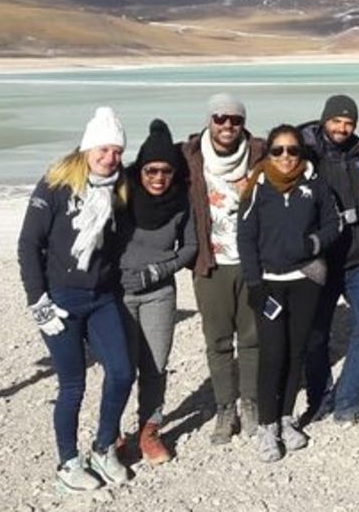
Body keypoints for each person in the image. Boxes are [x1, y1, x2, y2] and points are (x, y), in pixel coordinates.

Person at [17, 106, 132, 492]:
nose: (109, 157)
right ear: (86, 148)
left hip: (101, 297)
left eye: (116, 151)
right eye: (102, 149)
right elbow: (29, 244)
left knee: (121, 372)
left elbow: (121, 243)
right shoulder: (55, 184)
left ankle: (102, 447)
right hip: (60, 298)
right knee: (72, 385)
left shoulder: (120, 189)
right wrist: (39, 301)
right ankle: (67, 463)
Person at [238, 124, 341, 463]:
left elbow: (333, 225)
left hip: (304, 280)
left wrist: (312, 244)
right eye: (278, 150)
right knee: (272, 354)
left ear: (301, 152)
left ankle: (286, 417)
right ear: (268, 153)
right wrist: (254, 283)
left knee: (296, 351)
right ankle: (266, 426)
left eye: (292, 150)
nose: (285, 157)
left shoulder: (315, 185)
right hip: (268, 281)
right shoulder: (257, 186)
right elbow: (246, 238)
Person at [300, 95, 359, 426]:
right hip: (322, 262)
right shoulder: (306, 154)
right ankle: (318, 399)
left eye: (349, 122)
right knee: (316, 335)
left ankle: (348, 402)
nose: (342, 127)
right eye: (336, 120)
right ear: (325, 120)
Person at [182, 93, 266, 444]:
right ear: (209, 120)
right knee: (217, 341)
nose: (228, 125)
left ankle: (250, 404)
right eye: (220, 118)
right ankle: (224, 409)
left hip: (251, 262)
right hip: (210, 263)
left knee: (252, 338)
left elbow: (300, 158)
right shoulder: (189, 156)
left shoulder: (262, 153)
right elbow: (149, 169)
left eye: (235, 120)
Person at [117, 118, 196, 465]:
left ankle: (149, 431)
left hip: (159, 293)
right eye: (151, 170)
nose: (158, 178)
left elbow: (189, 247)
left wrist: (157, 271)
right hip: (118, 293)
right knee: (120, 366)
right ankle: (112, 434)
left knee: (155, 365)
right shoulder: (122, 195)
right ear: (141, 169)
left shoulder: (182, 201)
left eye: (166, 171)